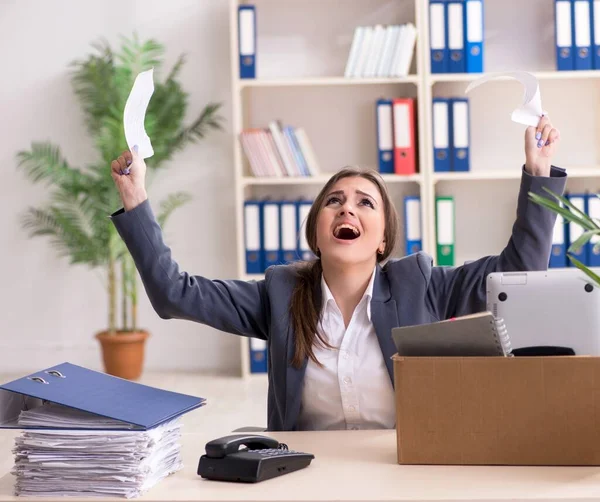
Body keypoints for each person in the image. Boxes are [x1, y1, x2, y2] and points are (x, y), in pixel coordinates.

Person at [109, 115, 565, 432]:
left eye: (365, 202)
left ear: (383, 238)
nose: (348, 206)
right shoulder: (281, 292)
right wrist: (136, 199)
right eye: (334, 200)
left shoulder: (421, 283)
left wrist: (539, 174)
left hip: (402, 467)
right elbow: (173, 294)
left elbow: (520, 270)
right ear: (317, 231)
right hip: (309, 474)